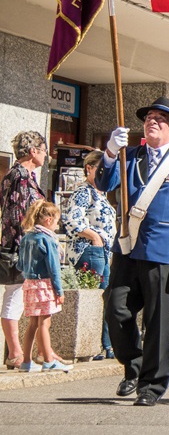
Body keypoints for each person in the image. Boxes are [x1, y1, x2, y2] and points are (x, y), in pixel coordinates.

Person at [98, 97, 169, 406]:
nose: (152, 121)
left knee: (158, 322)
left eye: (160, 118)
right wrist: (109, 152)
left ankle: (151, 386)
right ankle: (133, 367)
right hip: (128, 247)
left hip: (163, 251)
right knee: (116, 308)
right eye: (149, 117)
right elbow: (105, 183)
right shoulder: (128, 156)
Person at [61, 149, 117, 360]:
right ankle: (97, 345)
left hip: (102, 251)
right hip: (89, 250)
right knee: (98, 296)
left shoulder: (100, 194)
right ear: (90, 169)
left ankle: (105, 344)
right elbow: (72, 220)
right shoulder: (84, 191)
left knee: (106, 297)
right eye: (101, 169)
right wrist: (95, 237)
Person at [0, 130, 47, 370]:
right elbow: (22, 216)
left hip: (21, 247)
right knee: (15, 297)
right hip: (20, 248)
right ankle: (15, 353)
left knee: (21, 298)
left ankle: (27, 353)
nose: (46, 155)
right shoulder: (20, 176)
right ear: (33, 151)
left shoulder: (22, 175)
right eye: (44, 149)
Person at [17, 200, 71, 372]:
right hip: (45, 285)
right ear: (48, 220)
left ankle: (26, 361)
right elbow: (53, 267)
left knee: (32, 324)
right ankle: (49, 360)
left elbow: (19, 265)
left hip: (29, 284)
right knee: (44, 324)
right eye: (56, 221)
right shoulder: (47, 239)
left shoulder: (27, 237)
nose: (57, 225)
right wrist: (59, 290)